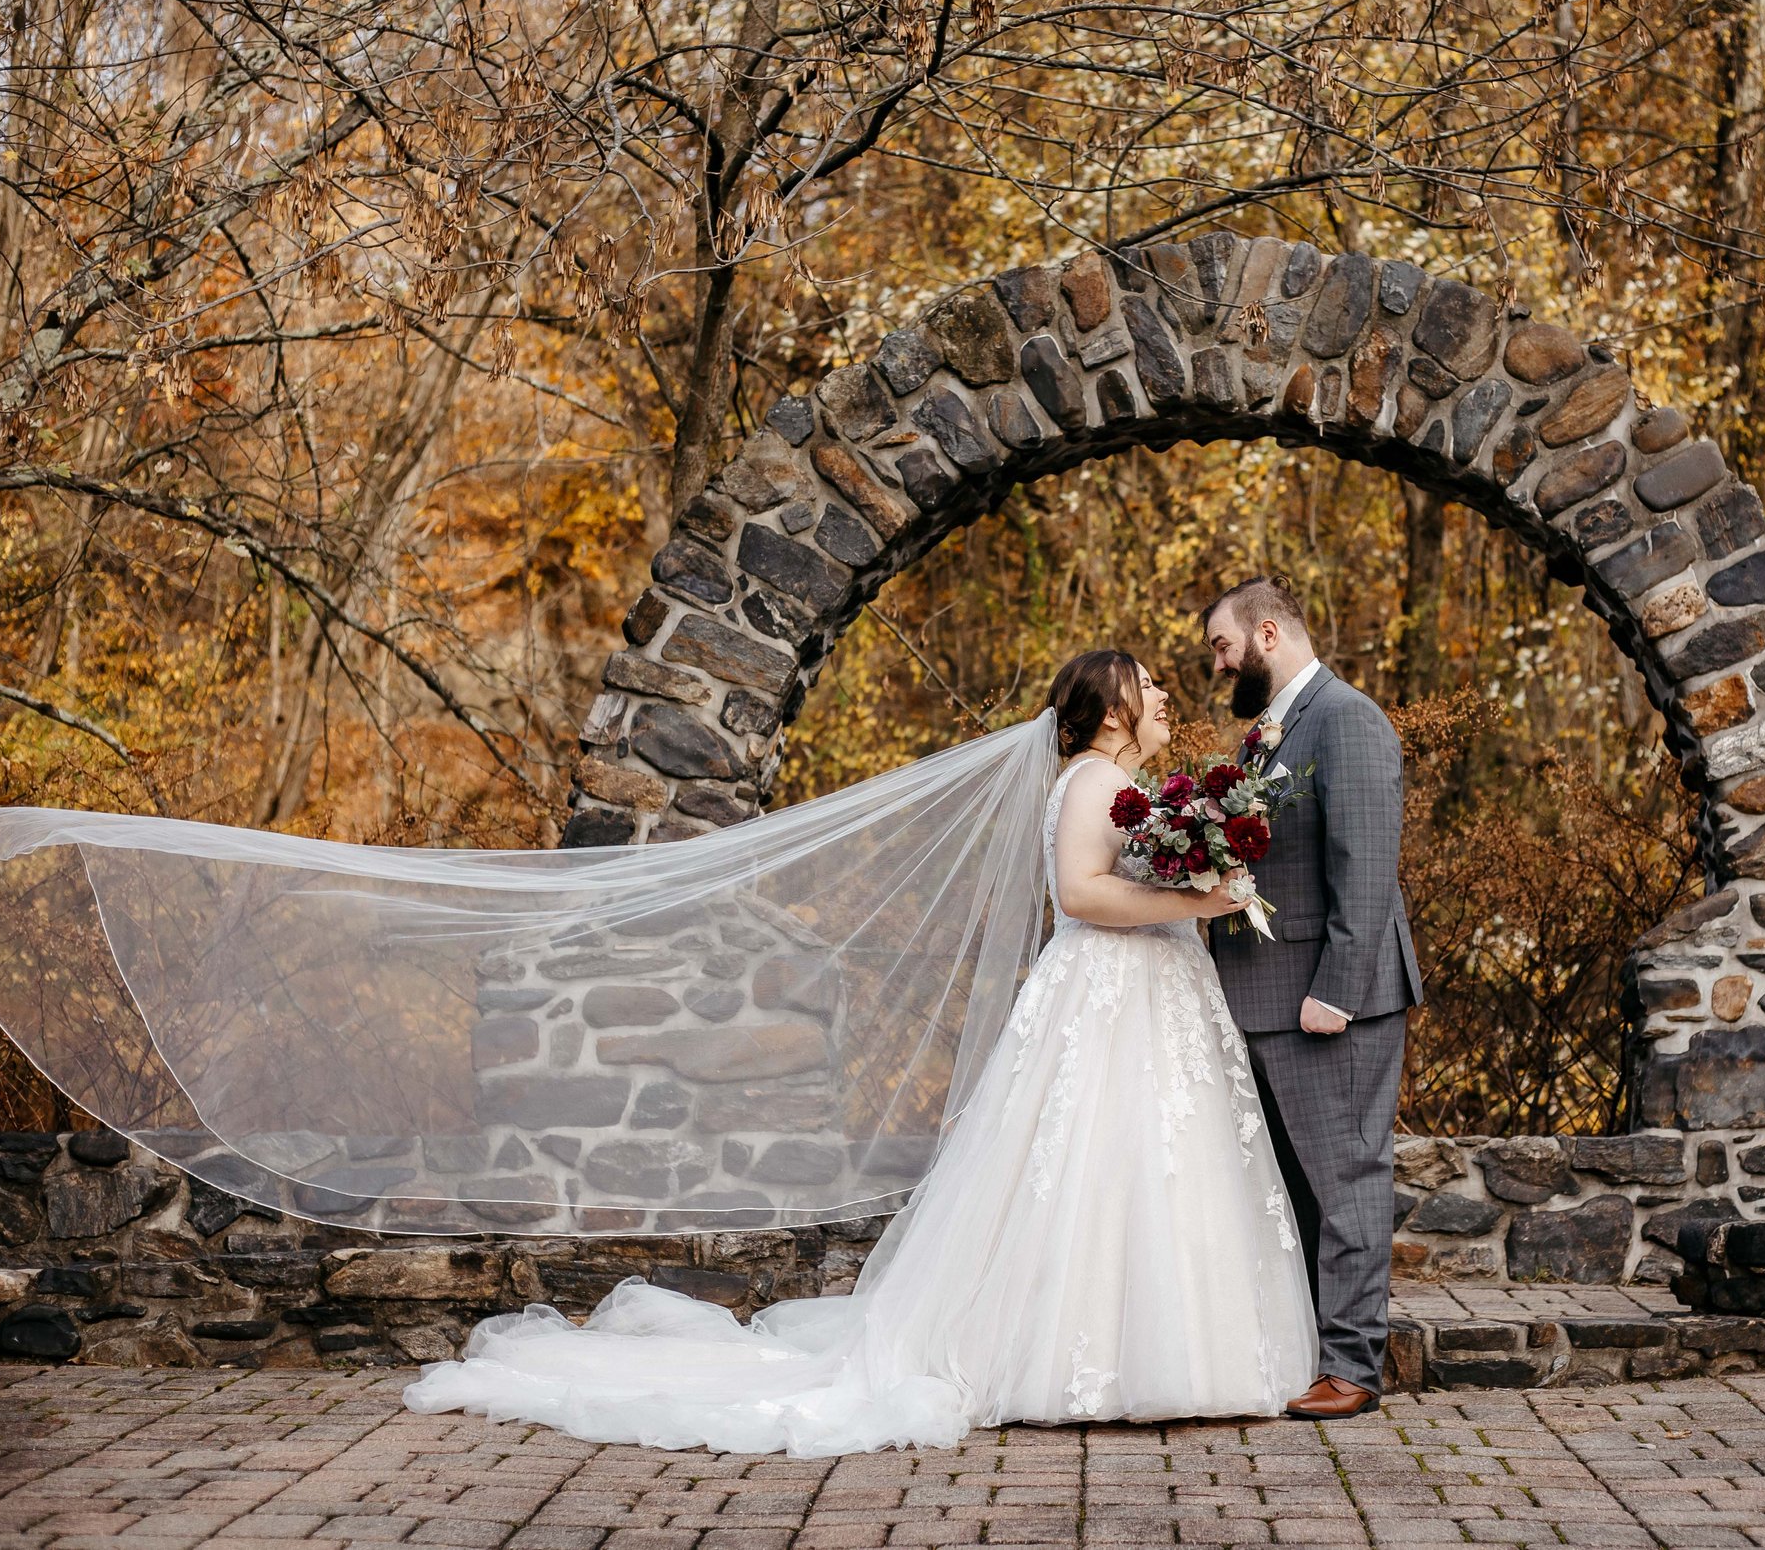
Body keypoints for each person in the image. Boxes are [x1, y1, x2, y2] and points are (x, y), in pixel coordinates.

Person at [395, 650, 1317, 1453]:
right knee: (1092, 1167)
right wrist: (1197, 902)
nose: (1164, 695)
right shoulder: (1085, 782)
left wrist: (1196, 878)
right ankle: (1086, 1360)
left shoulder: (1138, 792)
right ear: (1110, 707)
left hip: (1150, 993)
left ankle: (1155, 1349)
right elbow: (1079, 894)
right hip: (1107, 993)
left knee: (1146, 1167)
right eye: (1148, 684)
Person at [1201, 576, 1424, 1420]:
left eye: (1223, 646)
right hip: (1270, 999)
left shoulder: (1348, 720)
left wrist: (1336, 989)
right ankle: (1313, 1349)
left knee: (1348, 1181)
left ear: (1266, 633)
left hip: (1330, 1004)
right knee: (1296, 1189)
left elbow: (1365, 866)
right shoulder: (1276, 731)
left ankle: (1354, 1366)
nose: (1219, 665)